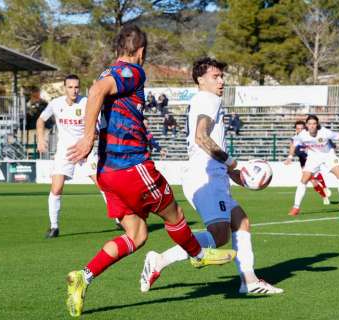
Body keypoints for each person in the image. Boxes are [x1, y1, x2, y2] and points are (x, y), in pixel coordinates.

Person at [65, 26, 235, 317]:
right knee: (174, 215)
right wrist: (88, 136)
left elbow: (102, 92)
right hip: (131, 166)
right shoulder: (132, 71)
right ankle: (197, 255)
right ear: (141, 51)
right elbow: (97, 91)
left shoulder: (111, 71)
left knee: (137, 235)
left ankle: (84, 276)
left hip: (109, 172)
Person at [139, 57, 283, 295]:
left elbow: (203, 142)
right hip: (206, 179)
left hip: (209, 175)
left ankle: (249, 281)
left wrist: (232, 172)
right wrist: (232, 163)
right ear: (200, 79)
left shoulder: (202, 100)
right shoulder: (208, 99)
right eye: (216, 77)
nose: (221, 81)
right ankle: (160, 260)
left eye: (222, 76)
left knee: (241, 221)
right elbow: (201, 138)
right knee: (219, 235)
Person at [36, 74, 102, 238]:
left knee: (102, 184)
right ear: (65, 88)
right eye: (70, 87)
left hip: (85, 149)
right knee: (56, 188)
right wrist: (40, 139)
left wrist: (89, 141)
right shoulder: (56, 103)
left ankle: (118, 218)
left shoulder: (87, 103)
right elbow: (40, 120)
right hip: (64, 151)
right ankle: (54, 226)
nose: (74, 90)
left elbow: (99, 129)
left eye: (76, 87)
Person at [285, 115, 339, 216]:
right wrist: (290, 157)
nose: (312, 126)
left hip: (328, 156)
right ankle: (296, 207)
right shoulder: (302, 135)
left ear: (317, 124)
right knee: (304, 179)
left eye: (314, 124)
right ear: (307, 125)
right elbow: (294, 145)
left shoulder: (325, 132)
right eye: (309, 124)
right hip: (313, 157)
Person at [289, 120, 332, 205]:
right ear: (296, 129)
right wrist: (290, 157)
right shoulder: (294, 139)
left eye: (302, 128)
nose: (300, 130)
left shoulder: (308, 136)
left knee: (316, 175)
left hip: (313, 159)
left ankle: (324, 187)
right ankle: (324, 197)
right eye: (298, 128)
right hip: (303, 161)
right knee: (312, 181)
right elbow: (292, 148)